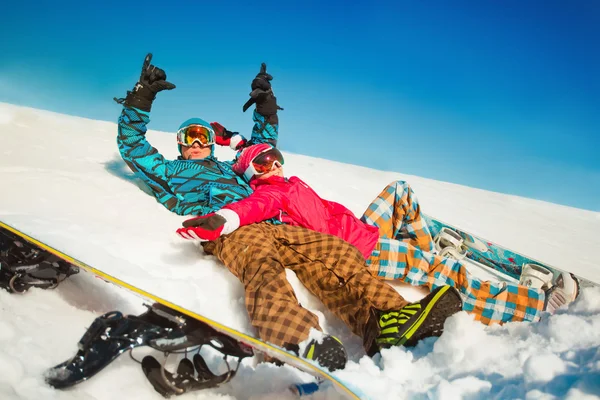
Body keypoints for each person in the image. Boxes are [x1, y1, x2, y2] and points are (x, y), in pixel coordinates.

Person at [116, 54, 462, 370]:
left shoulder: (231, 169)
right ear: (179, 143)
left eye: (202, 135)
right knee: (262, 264)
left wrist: (265, 105)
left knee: (335, 254)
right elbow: (132, 146)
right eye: (189, 137)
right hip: (229, 228)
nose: (197, 143)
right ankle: (296, 338)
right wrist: (142, 97)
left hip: (272, 221)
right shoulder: (170, 172)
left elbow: (262, 147)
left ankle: (387, 319)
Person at [176, 144, 580, 325]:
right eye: (264, 161)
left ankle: (423, 244)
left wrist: (235, 140)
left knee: (399, 191)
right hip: (363, 248)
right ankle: (534, 304)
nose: (275, 163)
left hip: (363, 227)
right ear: (253, 173)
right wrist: (224, 219)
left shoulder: (281, 180)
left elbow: (252, 153)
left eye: (276, 157)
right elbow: (251, 208)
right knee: (441, 270)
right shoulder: (271, 193)